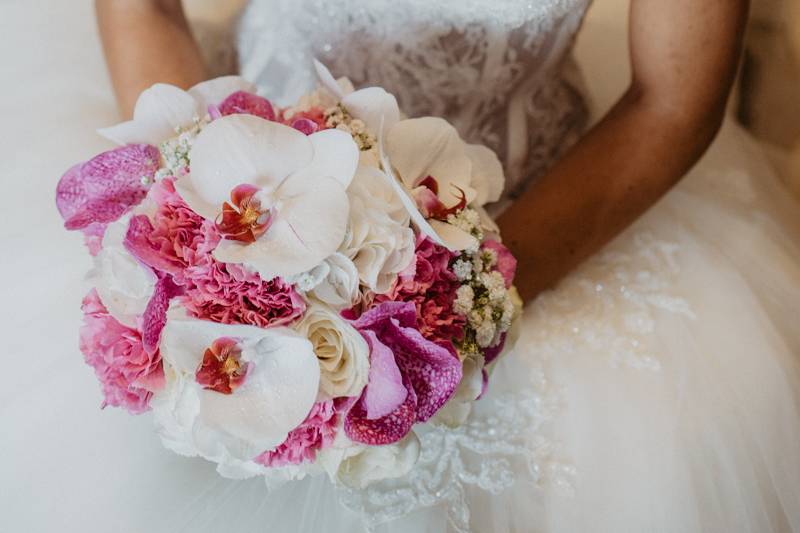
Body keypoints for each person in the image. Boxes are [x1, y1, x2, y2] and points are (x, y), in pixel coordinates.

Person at [92, 0, 800, 531]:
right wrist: (200, 223)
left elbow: (673, 101)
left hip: (538, 206)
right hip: (240, 162)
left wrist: (456, 299)